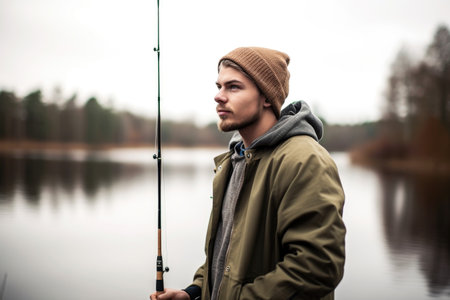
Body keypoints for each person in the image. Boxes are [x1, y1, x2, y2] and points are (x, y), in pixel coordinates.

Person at [151, 47, 346, 300]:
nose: (218, 97)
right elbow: (226, 255)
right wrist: (195, 292)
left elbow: (318, 267)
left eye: (233, 87)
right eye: (219, 86)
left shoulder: (304, 160)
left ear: (266, 97)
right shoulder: (234, 161)